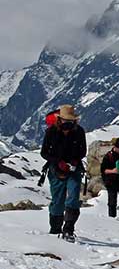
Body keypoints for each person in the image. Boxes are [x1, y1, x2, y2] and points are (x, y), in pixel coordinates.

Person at [40, 104, 87, 242]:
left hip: (74, 169)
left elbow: (83, 151)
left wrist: (74, 161)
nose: (68, 124)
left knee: (73, 197)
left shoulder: (79, 131)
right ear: (60, 120)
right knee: (58, 201)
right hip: (56, 170)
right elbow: (44, 152)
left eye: (70, 121)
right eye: (66, 121)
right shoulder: (51, 132)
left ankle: (68, 229)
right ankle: (55, 229)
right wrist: (58, 161)